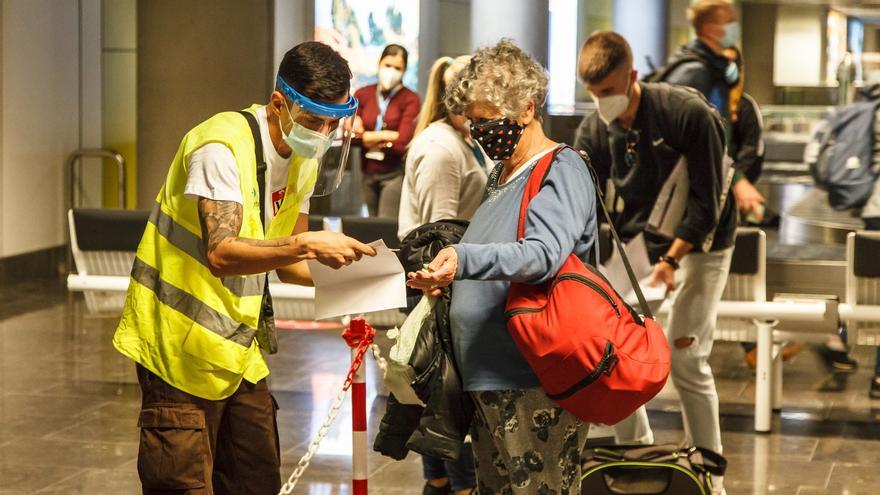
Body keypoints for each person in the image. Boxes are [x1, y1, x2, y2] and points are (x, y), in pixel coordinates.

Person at [112, 41, 377, 494]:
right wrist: (305, 244)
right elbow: (222, 253)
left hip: (236, 351)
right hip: (175, 346)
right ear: (279, 104)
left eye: (334, 123)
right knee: (183, 482)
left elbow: (292, 264)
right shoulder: (220, 145)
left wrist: (369, 283)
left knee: (255, 479)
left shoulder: (304, 160)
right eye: (315, 121)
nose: (325, 134)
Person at [407, 39, 598, 495]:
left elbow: (543, 253)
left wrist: (464, 259)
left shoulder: (560, 167)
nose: (478, 132)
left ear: (527, 109)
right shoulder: (502, 174)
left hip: (531, 380)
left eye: (486, 120)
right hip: (490, 378)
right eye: (472, 122)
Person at [574, 32, 736, 495]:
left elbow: (709, 201)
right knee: (616, 352)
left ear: (632, 77)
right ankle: (637, 457)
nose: (602, 102)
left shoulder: (687, 113)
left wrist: (671, 261)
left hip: (703, 245)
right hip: (641, 244)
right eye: (593, 93)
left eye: (608, 91)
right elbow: (591, 206)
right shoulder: (595, 131)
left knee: (687, 355)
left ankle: (711, 474)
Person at [397, 55, 484, 495]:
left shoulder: (460, 141)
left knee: (444, 399)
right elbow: (439, 236)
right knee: (449, 401)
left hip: (453, 285)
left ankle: (444, 485)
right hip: (438, 288)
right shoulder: (440, 149)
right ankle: (455, 487)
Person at [665, 0, 766, 224]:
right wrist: (737, 180)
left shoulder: (710, 70)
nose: (734, 26)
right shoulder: (696, 74)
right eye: (729, 21)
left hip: (706, 190)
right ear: (710, 29)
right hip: (692, 200)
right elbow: (702, 139)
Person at [353, 44, 421, 218]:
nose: (391, 71)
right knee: (370, 225)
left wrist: (367, 137)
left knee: (385, 224)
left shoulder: (410, 99)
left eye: (397, 68)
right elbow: (352, 138)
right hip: (367, 172)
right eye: (387, 65)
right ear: (380, 63)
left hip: (393, 174)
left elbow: (403, 143)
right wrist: (388, 135)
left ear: (404, 70)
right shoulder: (363, 94)